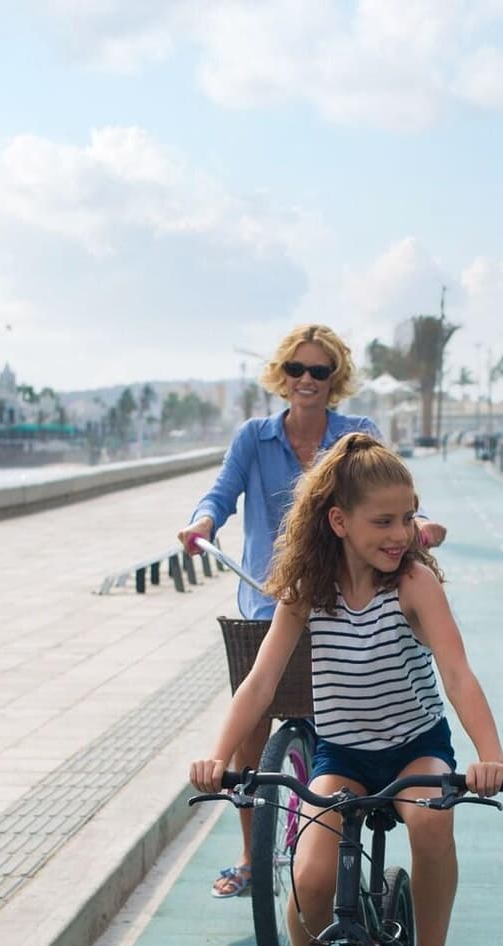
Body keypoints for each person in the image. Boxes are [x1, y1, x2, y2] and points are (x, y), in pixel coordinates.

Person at [190, 434, 503, 946]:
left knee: (432, 822)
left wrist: (489, 755)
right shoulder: (307, 591)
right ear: (338, 521)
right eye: (383, 521)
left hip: (415, 748)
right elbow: (259, 684)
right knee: (309, 879)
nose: (401, 533)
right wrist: (216, 755)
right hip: (341, 756)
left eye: (408, 517)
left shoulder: (413, 583)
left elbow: (458, 675)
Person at [175, 325, 445, 900]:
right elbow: (221, 493)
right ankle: (253, 855)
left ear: (335, 379)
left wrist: (418, 527)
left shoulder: (358, 436)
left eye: (319, 371)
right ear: (282, 375)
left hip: (344, 593)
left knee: (345, 722)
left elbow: (389, 497)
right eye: (297, 369)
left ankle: (344, 858)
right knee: (252, 727)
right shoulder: (255, 437)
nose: (306, 380)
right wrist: (202, 523)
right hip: (267, 598)